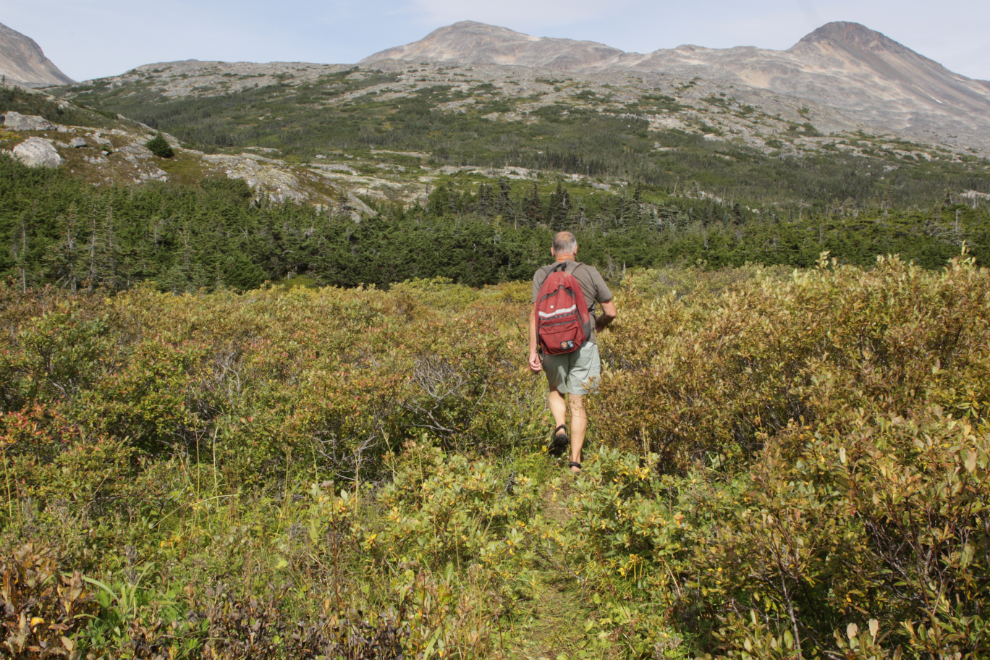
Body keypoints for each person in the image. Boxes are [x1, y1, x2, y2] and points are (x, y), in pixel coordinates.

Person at [529, 231, 617, 473]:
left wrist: (532, 350)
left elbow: (535, 315)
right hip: (584, 341)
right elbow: (611, 311)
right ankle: (575, 463)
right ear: (575, 249)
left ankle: (560, 427)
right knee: (578, 402)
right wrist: (599, 322)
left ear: (552, 251)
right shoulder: (589, 271)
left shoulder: (541, 274)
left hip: (550, 343)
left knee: (556, 389)